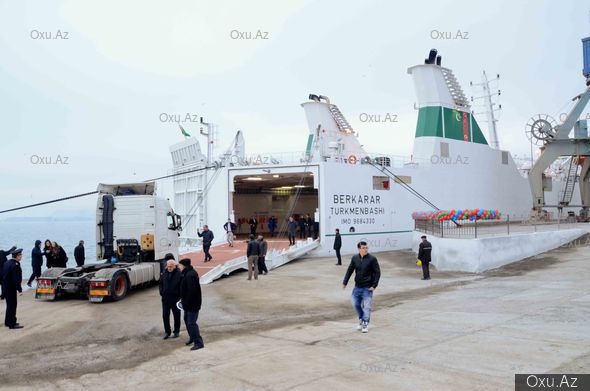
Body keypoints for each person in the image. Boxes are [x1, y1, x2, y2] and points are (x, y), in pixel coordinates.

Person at [342, 241, 381, 333]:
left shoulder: (372, 259)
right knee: (355, 304)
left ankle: (365, 323)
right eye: (363, 248)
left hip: (368, 288)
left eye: (366, 247)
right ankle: (361, 318)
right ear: (359, 249)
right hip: (357, 287)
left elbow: (377, 272)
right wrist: (345, 282)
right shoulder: (355, 258)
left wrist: (374, 285)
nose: (365, 249)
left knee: (367, 307)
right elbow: (350, 270)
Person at [178, 258, 204, 351]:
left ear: (184, 265)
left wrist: (186, 302)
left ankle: (199, 342)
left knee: (192, 323)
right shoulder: (187, 273)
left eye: (180, 265)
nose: (179, 267)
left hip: (192, 304)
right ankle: (192, 338)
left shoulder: (190, 275)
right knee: (187, 320)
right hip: (187, 304)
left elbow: (192, 291)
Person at [159, 254, 182, 339]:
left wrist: (180, 295)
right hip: (165, 299)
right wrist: (161, 292)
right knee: (165, 315)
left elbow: (182, 286)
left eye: (171, 266)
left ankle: (176, 331)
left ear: (175, 266)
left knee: (176, 316)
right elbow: (160, 283)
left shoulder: (179, 274)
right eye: (168, 266)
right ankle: (167, 332)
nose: (169, 268)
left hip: (176, 299)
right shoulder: (164, 273)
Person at [3, 248, 24, 329]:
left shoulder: (7, 262)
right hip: (11, 288)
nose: (21, 256)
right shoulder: (15, 265)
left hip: (6, 287)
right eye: (20, 255)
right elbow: (16, 279)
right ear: (17, 256)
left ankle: (7, 322)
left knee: (9, 305)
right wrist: (19, 290)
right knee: (12, 305)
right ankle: (12, 324)